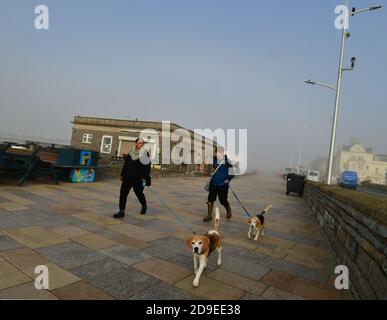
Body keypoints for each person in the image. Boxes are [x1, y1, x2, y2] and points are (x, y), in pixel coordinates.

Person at [113, 138, 151, 218]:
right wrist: (122, 175)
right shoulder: (130, 153)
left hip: (139, 178)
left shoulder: (145, 153)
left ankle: (144, 205)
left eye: (142, 143)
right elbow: (126, 164)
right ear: (136, 143)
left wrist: (145, 178)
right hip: (127, 177)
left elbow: (147, 168)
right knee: (123, 193)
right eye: (139, 143)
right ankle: (121, 211)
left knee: (139, 193)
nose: (141, 144)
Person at [204, 146, 234, 222]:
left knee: (222, 200)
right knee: (210, 199)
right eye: (215, 152)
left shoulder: (227, 161)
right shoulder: (213, 160)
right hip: (213, 183)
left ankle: (228, 209)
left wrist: (228, 179)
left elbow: (232, 172)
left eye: (217, 152)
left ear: (222, 153)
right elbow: (209, 169)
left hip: (223, 185)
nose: (216, 154)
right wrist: (210, 172)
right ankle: (209, 216)